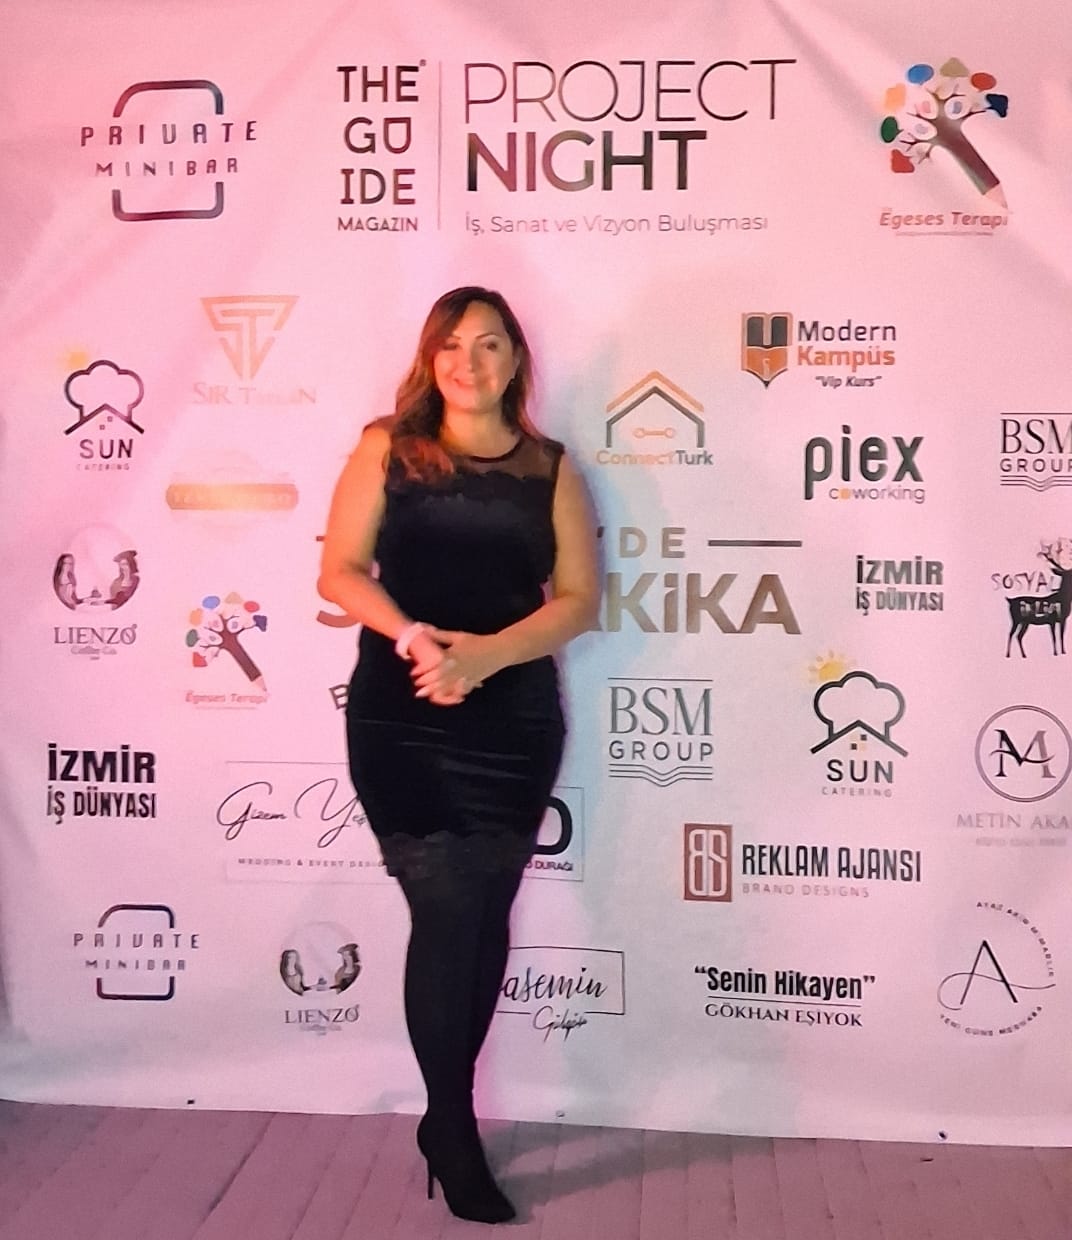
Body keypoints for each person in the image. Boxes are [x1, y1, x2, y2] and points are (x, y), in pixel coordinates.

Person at [318, 286, 599, 1223]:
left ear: (516, 360)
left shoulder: (551, 468)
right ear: (429, 357)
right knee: (446, 913)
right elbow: (339, 571)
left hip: (511, 717)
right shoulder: (387, 449)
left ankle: (446, 1124)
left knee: (484, 915)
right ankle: (452, 1124)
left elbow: (578, 603)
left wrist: (484, 657)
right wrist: (415, 640)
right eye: (451, 345)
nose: (468, 363)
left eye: (488, 345)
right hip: (403, 713)